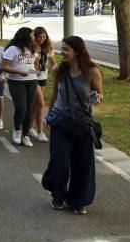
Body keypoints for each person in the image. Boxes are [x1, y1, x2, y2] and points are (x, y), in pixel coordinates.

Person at [41, 36, 102, 214]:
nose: (62, 52)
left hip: (81, 124)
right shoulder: (59, 70)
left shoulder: (92, 72)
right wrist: (49, 115)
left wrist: (97, 98)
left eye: (66, 49)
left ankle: (78, 200)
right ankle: (58, 196)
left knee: (82, 164)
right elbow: (55, 95)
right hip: (60, 121)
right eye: (62, 48)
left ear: (77, 51)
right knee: (59, 162)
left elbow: (99, 94)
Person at [2, 27, 38, 147]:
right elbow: (4, 67)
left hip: (31, 81)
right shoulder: (13, 49)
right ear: (25, 36)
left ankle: (26, 135)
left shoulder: (32, 48)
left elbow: (35, 63)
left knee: (29, 108)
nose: (34, 37)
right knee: (21, 107)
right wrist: (18, 72)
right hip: (16, 81)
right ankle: (17, 130)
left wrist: (35, 71)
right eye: (32, 35)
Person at [29, 27, 56, 143]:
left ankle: (29, 128)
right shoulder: (30, 47)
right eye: (39, 36)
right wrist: (34, 72)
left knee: (35, 105)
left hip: (43, 78)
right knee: (41, 103)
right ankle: (40, 131)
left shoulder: (48, 47)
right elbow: (26, 65)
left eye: (44, 37)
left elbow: (52, 62)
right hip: (32, 77)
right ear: (34, 36)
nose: (41, 39)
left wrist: (57, 69)